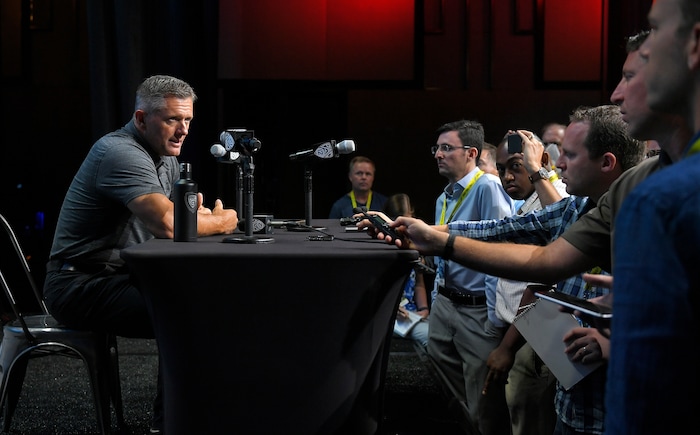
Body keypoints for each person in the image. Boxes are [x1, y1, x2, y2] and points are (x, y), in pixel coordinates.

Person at [42, 75, 239, 433]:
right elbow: (170, 224)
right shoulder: (120, 152)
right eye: (172, 120)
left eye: (188, 120)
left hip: (119, 277)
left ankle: (199, 417)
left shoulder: (167, 159)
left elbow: (187, 218)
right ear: (141, 119)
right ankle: (170, 425)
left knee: (211, 302)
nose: (183, 131)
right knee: (186, 314)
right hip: (78, 283)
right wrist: (223, 222)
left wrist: (201, 218)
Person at [605, 1, 700, 432]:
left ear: (695, 44)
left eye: (655, 31)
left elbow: (642, 405)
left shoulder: (660, 202)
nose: (646, 52)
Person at [428, 119, 514, 435]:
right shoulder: (444, 197)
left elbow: (498, 254)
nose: (438, 154)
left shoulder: (487, 188)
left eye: (446, 148)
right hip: (447, 305)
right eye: (436, 148)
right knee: (442, 372)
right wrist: (438, 299)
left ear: (471, 153)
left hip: (479, 311)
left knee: (485, 407)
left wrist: (494, 320)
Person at [492, 129, 568, 435]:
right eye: (500, 169)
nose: (507, 177)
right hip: (521, 331)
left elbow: (541, 286)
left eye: (515, 166)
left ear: (541, 161)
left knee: (530, 420)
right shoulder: (529, 201)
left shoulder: (554, 196)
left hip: (534, 336)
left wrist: (507, 347)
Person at [384, 193, 431, 348]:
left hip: (412, 315)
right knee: (430, 338)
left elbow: (419, 283)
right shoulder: (384, 247)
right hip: (391, 314)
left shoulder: (416, 244)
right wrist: (392, 308)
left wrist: (423, 309)